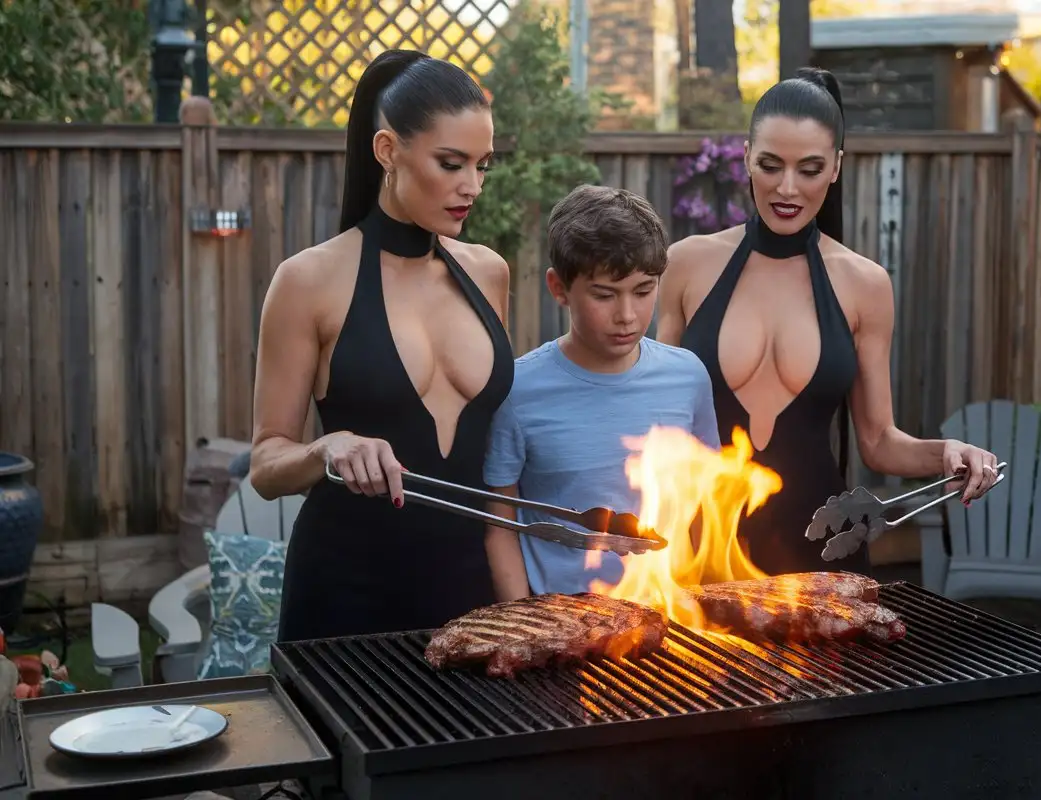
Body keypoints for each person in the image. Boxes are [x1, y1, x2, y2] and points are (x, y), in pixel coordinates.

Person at [656, 68, 1001, 577]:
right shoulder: (687, 263)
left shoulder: (865, 284)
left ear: (836, 167)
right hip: (703, 549)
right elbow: (652, 416)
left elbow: (878, 440)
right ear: (747, 155)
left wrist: (947, 452)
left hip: (821, 554)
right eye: (770, 165)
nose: (787, 188)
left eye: (810, 169)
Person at [248, 49, 514, 640]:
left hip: (471, 592)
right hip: (346, 595)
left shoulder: (488, 272)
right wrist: (328, 447)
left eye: (483, 165)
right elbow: (266, 464)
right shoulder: (308, 281)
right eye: (451, 164)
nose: (472, 186)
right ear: (388, 150)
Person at [482, 185, 719, 600]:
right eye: (604, 295)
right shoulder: (517, 390)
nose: (627, 316)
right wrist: (524, 622)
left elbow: (709, 512)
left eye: (644, 291)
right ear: (559, 289)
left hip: (667, 619)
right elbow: (500, 528)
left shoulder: (689, 378)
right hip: (560, 622)